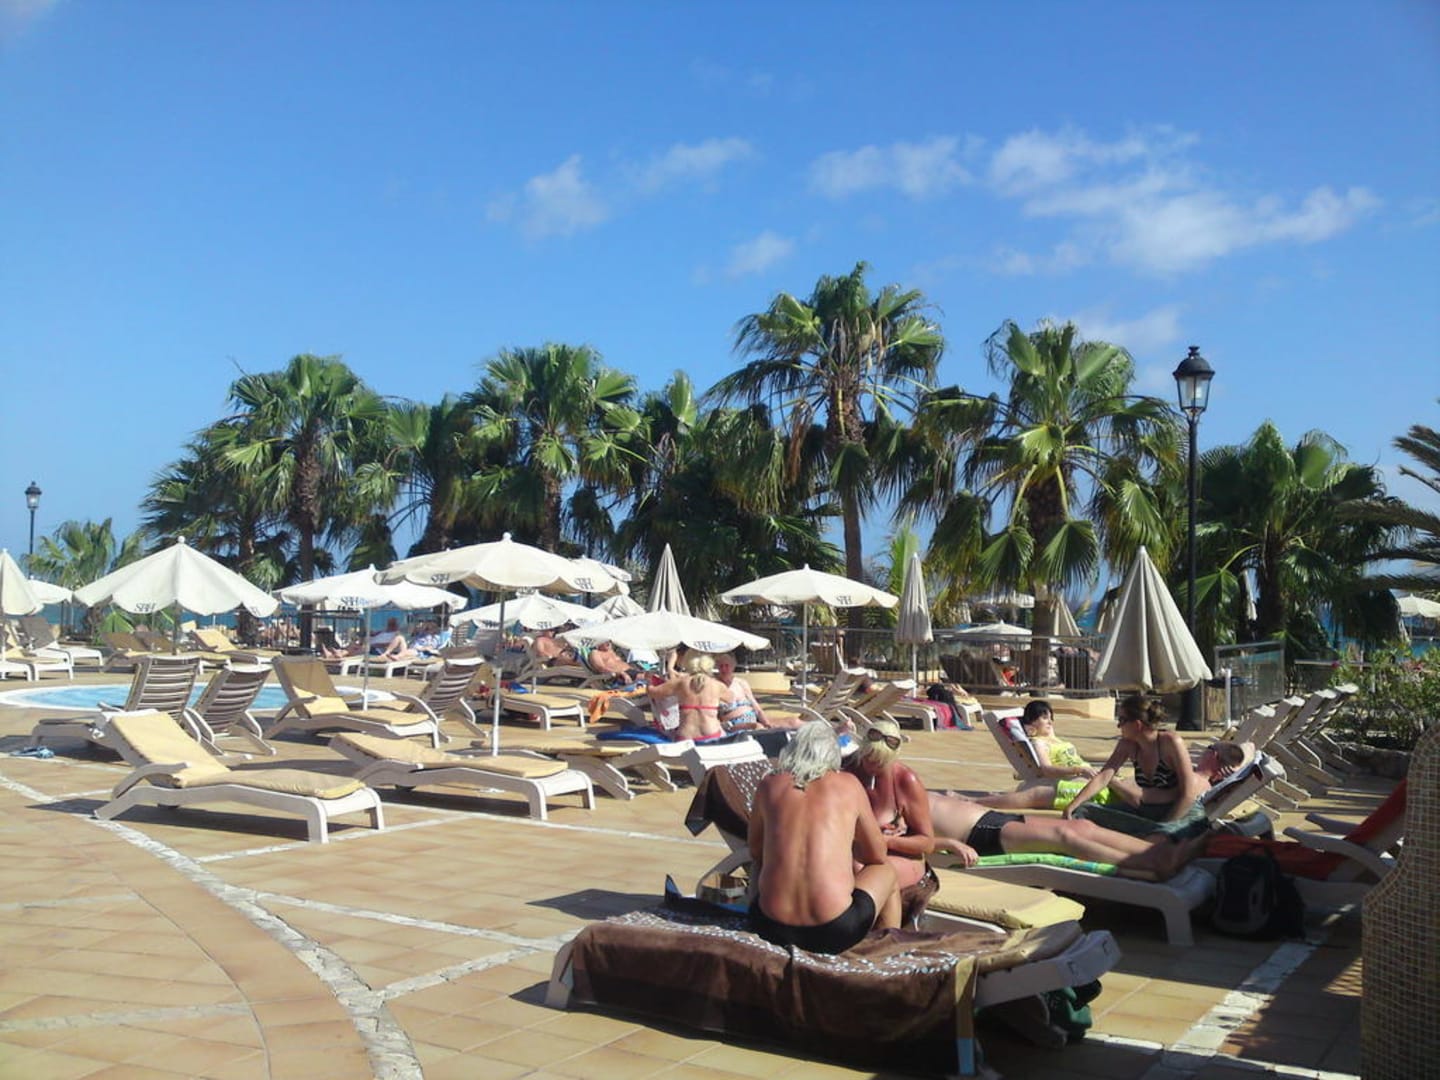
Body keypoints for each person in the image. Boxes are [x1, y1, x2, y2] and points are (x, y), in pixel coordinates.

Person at [748, 720, 900, 953]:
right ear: (833, 754)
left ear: (792, 750)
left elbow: (755, 851)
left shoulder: (768, 784)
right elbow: (877, 856)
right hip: (834, 929)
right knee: (886, 870)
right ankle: (890, 953)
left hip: (769, 925)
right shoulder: (849, 784)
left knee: (757, 865)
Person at [847, 717, 984, 891]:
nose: (872, 765)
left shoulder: (905, 780)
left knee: (862, 871)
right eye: (868, 757)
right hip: (858, 853)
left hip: (894, 854)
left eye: (880, 761)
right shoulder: (847, 769)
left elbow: (926, 842)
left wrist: (884, 841)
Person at [1062, 695, 1206, 827]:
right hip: (1145, 812)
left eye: (1122, 720)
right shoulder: (1127, 745)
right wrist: (1072, 805)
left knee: (1161, 835)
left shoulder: (1170, 742)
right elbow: (1103, 777)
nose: (1118, 726)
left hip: (1179, 812)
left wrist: (1166, 825)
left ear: (1137, 724)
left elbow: (1188, 794)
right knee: (1082, 811)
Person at [973, 700, 1143, 812]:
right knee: (1130, 797)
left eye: (1050, 717)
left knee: (1134, 785)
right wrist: (1079, 769)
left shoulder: (1054, 738)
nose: (1050, 721)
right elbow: (1046, 769)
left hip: (1090, 776)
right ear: (1031, 723)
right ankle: (975, 801)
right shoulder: (1039, 743)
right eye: (1044, 718)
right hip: (1076, 782)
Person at [645, 652, 727, 742]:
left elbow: (653, 692)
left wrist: (649, 680)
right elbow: (732, 698)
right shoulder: (717, 685)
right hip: (712, 734)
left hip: (686, 737)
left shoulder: (680, 683)